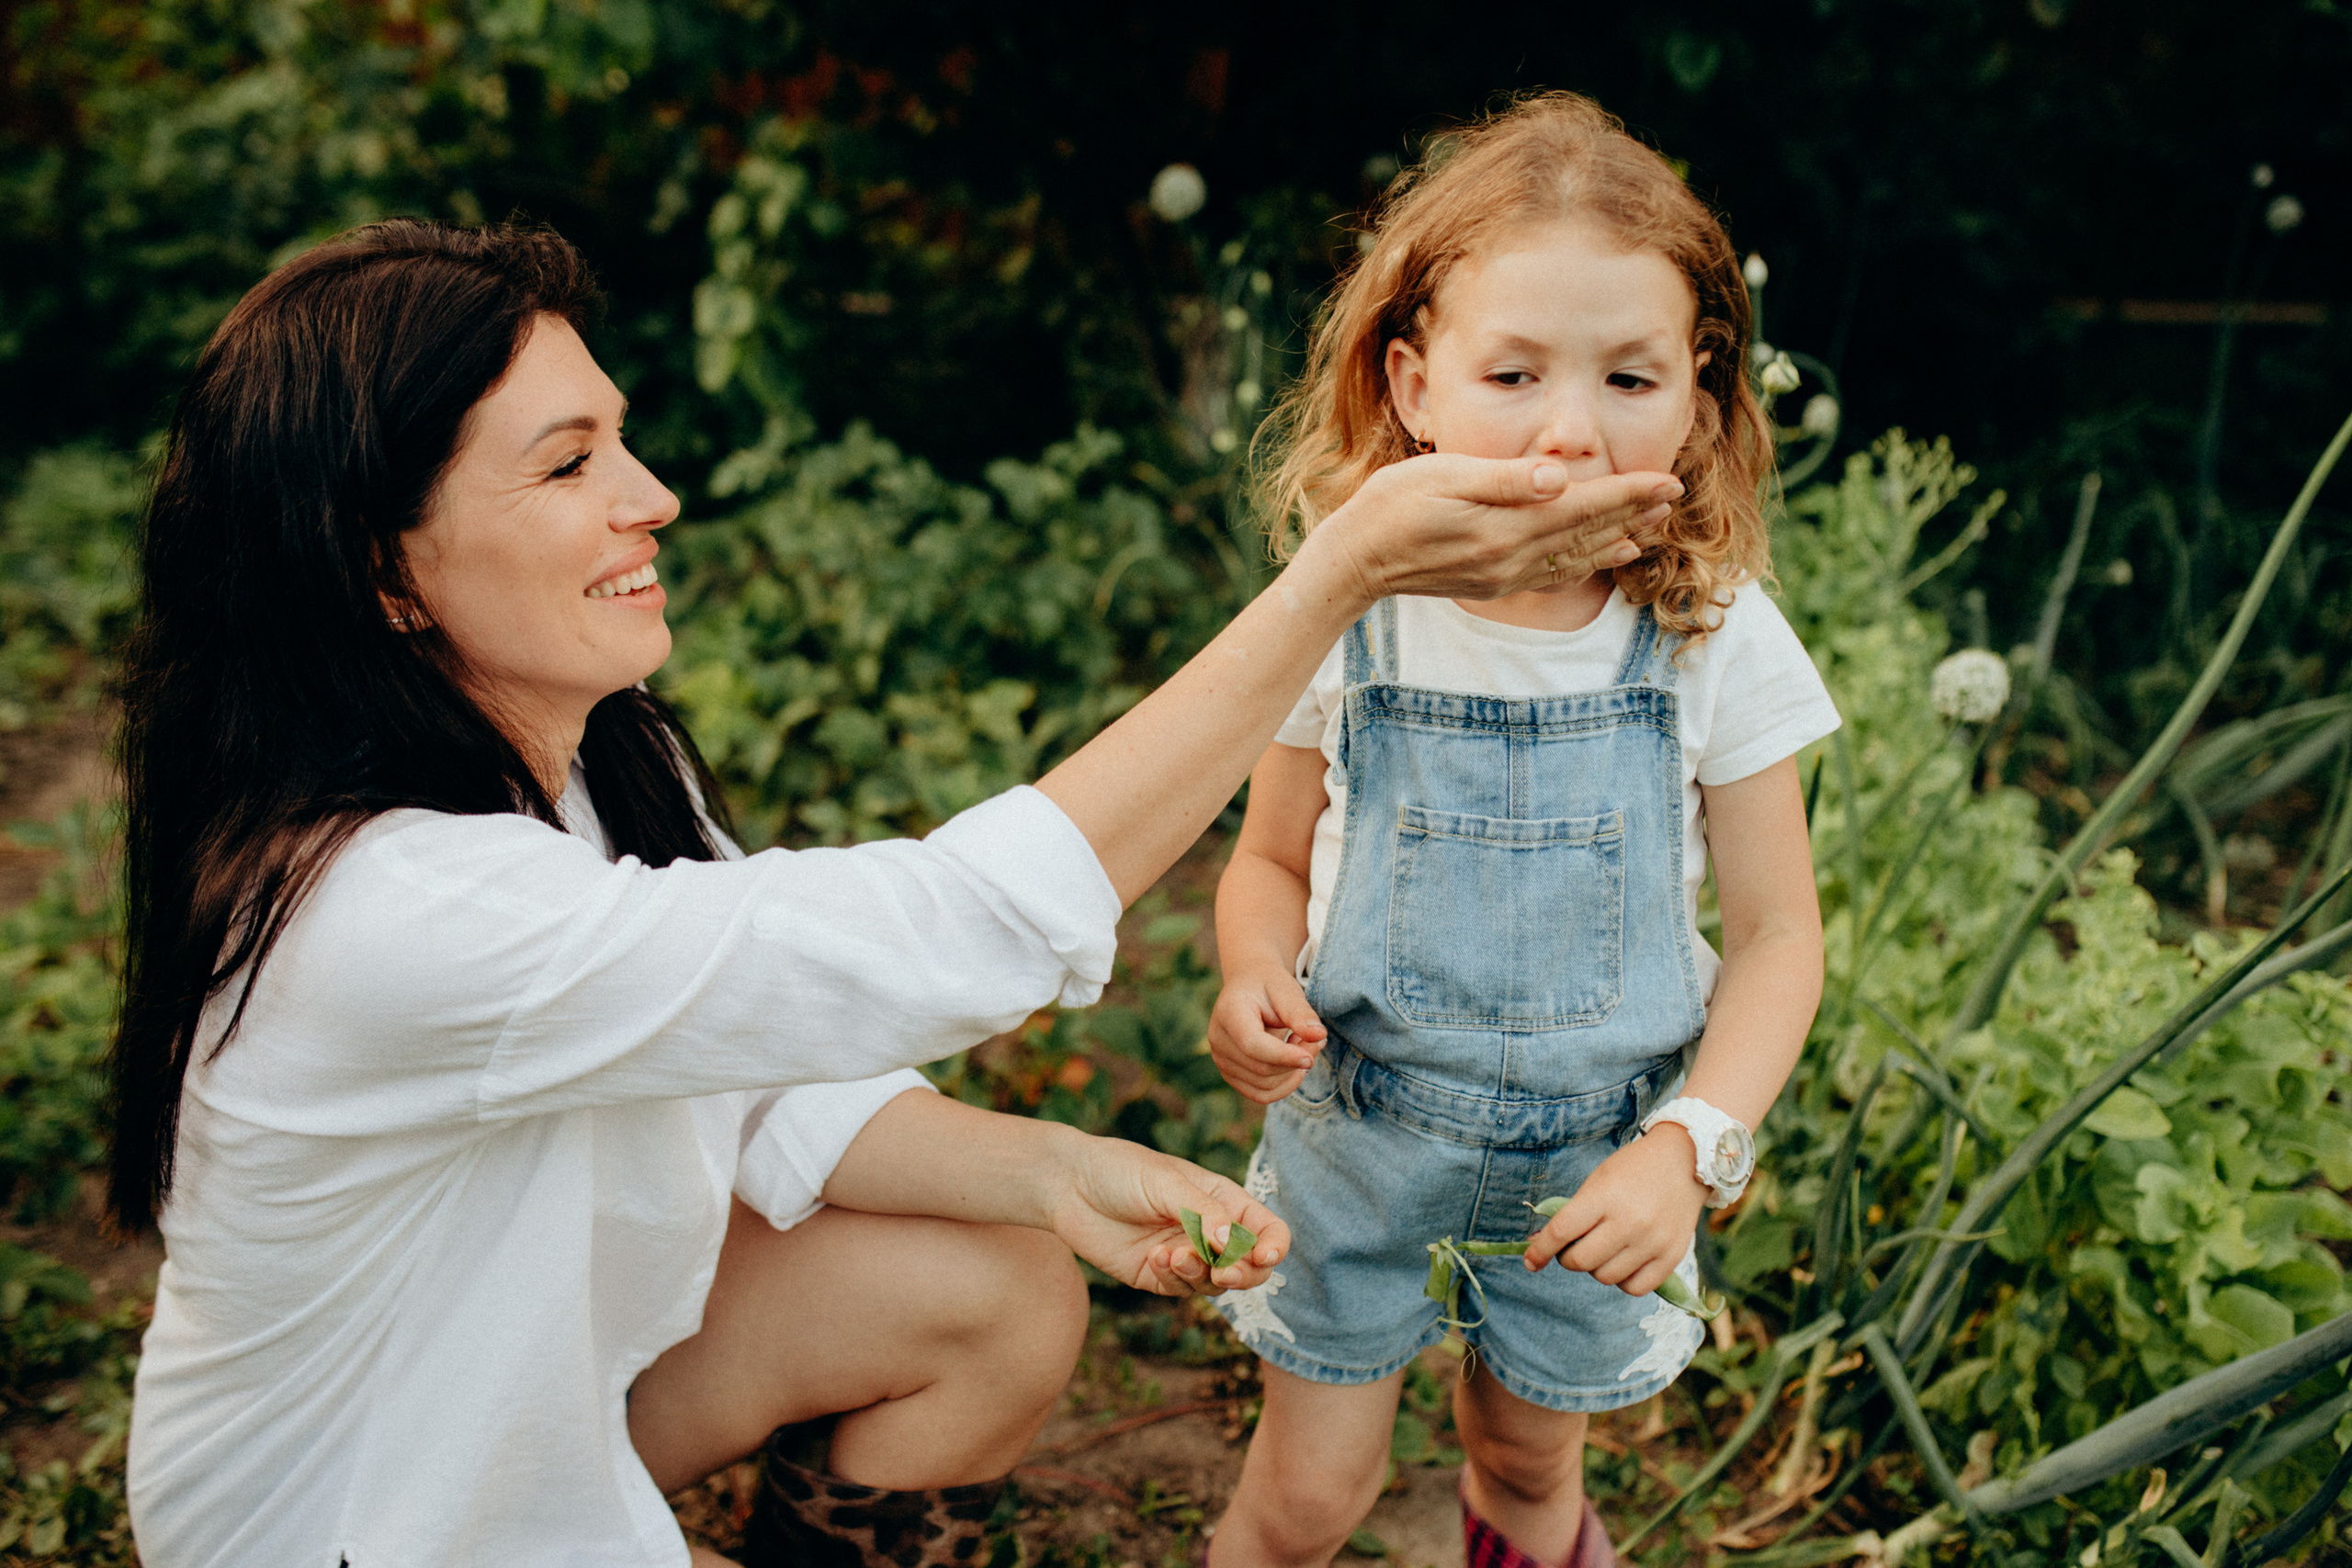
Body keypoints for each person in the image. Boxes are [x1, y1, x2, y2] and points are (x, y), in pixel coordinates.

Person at [107, 219, 1679, 1568]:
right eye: (570, 467)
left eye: (621, 440)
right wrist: (1333, 579)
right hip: (357, 1522)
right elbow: (941, 933)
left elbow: (763, 1063)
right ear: (382, 572)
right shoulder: (392, 911)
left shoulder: (588, 760)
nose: (649, 496)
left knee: (985, 1283)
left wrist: (1054, 1171)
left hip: (518, 1400)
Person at [1202, 94, 1836, 1568]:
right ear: (1414, 382)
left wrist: (1692, 1150)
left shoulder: (1711, 635)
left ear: (1699, 389)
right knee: (1306, 1497)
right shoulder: (1348, 610)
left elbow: (1782, 938)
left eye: (1628, 376)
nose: (1569, 427)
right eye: (1513, 372)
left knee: (1528, 1463)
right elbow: (1269, 860)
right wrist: (1249, 974)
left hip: (1601, 1163)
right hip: (1360, 1140)